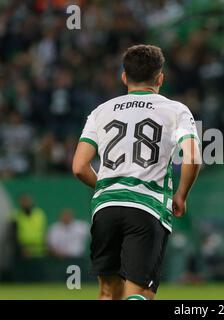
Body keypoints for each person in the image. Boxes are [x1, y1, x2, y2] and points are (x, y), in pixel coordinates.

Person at [72, 44, 201, 300]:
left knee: (108, 293)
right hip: (148, 207)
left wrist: (107, 187)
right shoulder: (176, 110)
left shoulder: (101, 111)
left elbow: (79, 167)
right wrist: (181, 195)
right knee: (139, 293)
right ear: (160, 78)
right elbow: (193, 157)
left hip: (105, 209)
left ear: (123, 76)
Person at [11, 194, 47, 258]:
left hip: (39, 250)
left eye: (27, 201)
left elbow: (44, 231)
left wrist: (45, 247)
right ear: (19, 202)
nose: (26, 203)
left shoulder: (39, 214)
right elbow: (13, 235)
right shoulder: (15, 216)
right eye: (23, 201)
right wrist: (21, 249)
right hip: (23, 252)